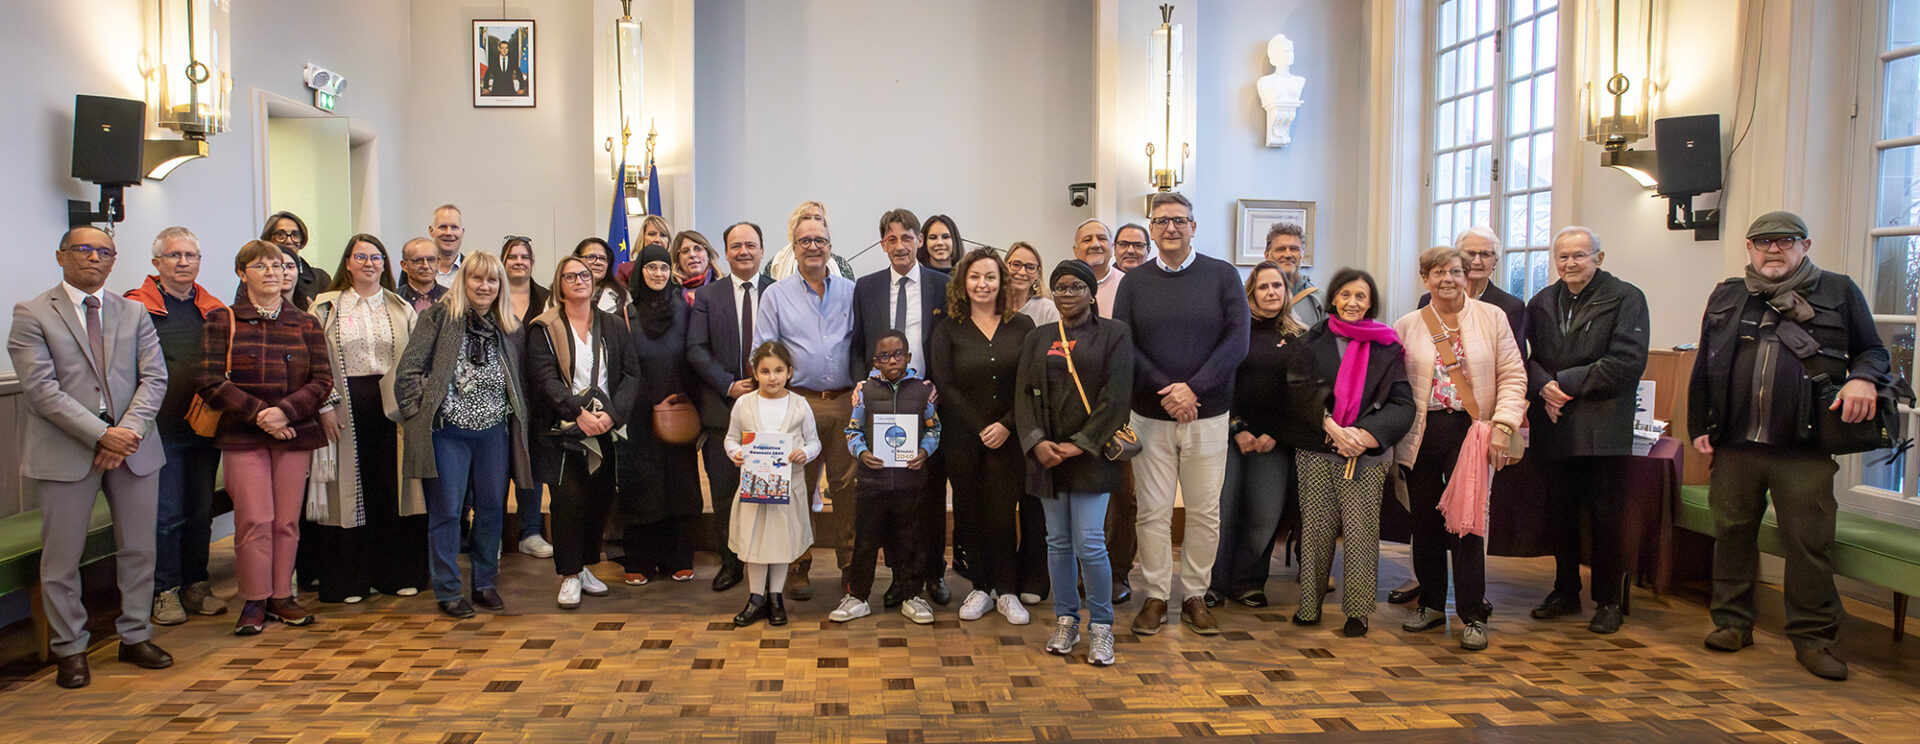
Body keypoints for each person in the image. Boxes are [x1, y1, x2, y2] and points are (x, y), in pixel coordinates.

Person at [1690, 211, 1891, 681]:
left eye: (1784, 241)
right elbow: (1708, 361)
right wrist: (1700, 423)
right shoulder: (1728, 293)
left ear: (1804, 245)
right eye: (1763, 242)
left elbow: (1874, 350)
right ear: (1749, 248)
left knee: (1809, 544)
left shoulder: (1838, 291)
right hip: (1737, 443)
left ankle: (1813, 639)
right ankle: (1733, 623)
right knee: (1733, 533)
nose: (1773, 249)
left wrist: (1862, 378)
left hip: (1803, 448)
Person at [10, 226, 173, 688]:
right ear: (61, 256)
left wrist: (128, 431)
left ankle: (135, 634)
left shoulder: (134, 312)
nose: (94, 258)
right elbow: (42, 392)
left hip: (134, 447)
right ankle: (70, 649)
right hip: (66, 450)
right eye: (83, 249)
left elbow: (154, 378)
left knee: (140, 548)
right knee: (63, 556)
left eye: (105, 252)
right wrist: (103, 436)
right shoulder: (32, 313)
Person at [1111, 192, 1250, 637]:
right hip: (1150, 415)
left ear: (1194, 226)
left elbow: (1236, 342)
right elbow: (1125, 344)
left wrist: (1194, 389)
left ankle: (1194, 594)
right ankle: (1154, 595)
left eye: (1179, 221)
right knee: (1151, 511)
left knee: (1205, 511)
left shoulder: (1223, 276)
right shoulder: (1134, 282)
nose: (1170, 228)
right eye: (1162, 221)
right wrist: (1168, 391)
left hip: (1208, 415)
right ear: (1151, 229)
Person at [1392, 247, 1527, 651]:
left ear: (1466, 276)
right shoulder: (1407, 325)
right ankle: (1431, 603)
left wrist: (1504, 424)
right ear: (1424, 279)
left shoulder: (1493, 318)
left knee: (1467, 522)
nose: (1447, 279)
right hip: (1421, 431)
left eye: (1455, 271)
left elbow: (1513, 375)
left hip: (1473, 431)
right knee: (1425, 521)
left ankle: (1472, 613)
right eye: (1437, 272)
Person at [200, 240, 335, 635]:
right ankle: (255, 599)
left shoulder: (306, 323)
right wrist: (262, 415)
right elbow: (208, 381)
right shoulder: (221, 320)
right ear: (243, 273)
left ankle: (281, 596)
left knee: (286, 522)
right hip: (243, 436)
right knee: (255, 519)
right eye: (261, 266)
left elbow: (322, 381)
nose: (273, 272)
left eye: (279, 265)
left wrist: (286, 412)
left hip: (295, 433)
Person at [1524, 227, 1650, 634]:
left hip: (1602, 424)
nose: (1570, 264)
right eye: (1562, 257)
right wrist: (1543, 385)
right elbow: (1525, 358)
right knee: (1558, 512)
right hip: (1554, 421)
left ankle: (1609, 600)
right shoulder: (1541, 301)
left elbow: (1626, 362)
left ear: (1599, 256)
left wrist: (1563, 384)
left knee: (1605, 517)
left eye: (1579, 255)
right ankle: (1564, 591)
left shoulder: (1626, 297)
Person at [1274, 268, 1414, 637]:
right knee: (1316, 529)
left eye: (1361, 297)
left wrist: (1366, 435)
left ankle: (1358, 611)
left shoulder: (1388, 345)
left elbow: (1403, 403)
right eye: (1346, 295)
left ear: (1371, 303)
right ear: (1333, 298)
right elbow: (1297, 391)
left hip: (1366, 453)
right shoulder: (1309, 341)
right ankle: (1309, 606)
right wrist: (1331, 427)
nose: (1353, 302)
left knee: (1360, 531)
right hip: (1318, 446)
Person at [395, 251, 534, 618]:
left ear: (500, 285)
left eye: (491, 280)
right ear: (463, 281)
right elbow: (407, 373)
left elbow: (520, 382)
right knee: (446, 512)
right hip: (447, 433)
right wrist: (420, 415)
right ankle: (447, 589)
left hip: (494, 433)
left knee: (491, 511)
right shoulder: (439, 317)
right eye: (477, 278)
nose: (484, 286)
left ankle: (485, 583)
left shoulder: (509, 325)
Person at [1016, 259, 1135, 667]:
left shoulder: (1115, 334)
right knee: (1058, 543)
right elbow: (1025, 394)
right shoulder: (1039, 337)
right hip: (1047, 456)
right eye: (1060, 288)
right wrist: (1036, 442)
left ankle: (1101, 627)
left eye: (1075, 287)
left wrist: (1080, 444)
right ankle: (1065, 619)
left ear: (1091, 291)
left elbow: (1117, 397)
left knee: (1089, 542)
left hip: (1092, 455)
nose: (1067, 294)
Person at [305, 234, 430, 604]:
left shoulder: (399, 305)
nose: (369, 263)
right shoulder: (325, 308)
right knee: (346, 492)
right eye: (361, 256)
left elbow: (415, 360)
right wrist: (325, 405)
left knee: (393, 490)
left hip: (393, 408)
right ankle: (349, 581)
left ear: (386, 264)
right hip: (343, 408)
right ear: (347, 262)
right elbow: (314, 362)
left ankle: (397, 574)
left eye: (376, 257)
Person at [927, 247, 1039, 624]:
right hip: (963, 436)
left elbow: (1030, 382)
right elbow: (945, 382)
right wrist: (980, 426)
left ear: (1002, 282)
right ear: (963, 282)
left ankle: (1006, 591)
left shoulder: (1022, 327)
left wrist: (1006, 423)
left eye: (990, 277)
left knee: (1004, 514)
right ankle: (980, 587)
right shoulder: (947, 329)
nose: (982, 284)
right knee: (970, 512)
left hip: (1010, 437)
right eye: (975, 277)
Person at [753, 212, 860, 601]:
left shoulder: (852, 291)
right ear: (793, 248)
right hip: (797, 404)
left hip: (847, 402)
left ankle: (851, 567)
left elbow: (862, 346)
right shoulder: (775, 295)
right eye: (805, 241)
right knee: (797, 488)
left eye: (820, 240)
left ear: (830, 246)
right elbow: (763, 351)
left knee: (848, 489)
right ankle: (797, 565)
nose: (813, 247)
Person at [524, 256, 641, 610]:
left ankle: (587, 566)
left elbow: (631, 375)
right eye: (570, 276)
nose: (579, 281)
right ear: (559, 283)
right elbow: (543, 380)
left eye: (585, 275)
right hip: (564, 431)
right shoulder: (543, 327)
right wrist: (578, 414)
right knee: (568, 501)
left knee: (599, 500)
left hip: (606, 428)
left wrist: (612, 416)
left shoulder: (613, 325)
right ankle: (569, 574)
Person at [125, 227, 227, 624]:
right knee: (165, 513)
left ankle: (195, 585)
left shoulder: (213, 308)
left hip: (203, 428)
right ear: (157, 263)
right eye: (174, 256)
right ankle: (164, 591)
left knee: (200, 512)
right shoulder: (136, 307)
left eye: (191, 256)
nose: (183, 263)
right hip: (158, 430)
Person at [852, 208, 954, 606]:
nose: (899, 246)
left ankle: (933, 573)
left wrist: (938, 388)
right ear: (882, 245)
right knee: (893, 495)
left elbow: (950, 347)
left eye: (907, 238)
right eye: (891, 239)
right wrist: (863, 386)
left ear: (919, 242)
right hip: (881, 407)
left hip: (927, 402)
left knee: (927, 496)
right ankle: (900, 577)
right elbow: (858, 344)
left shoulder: (942, 285)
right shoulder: (867, 287)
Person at [1208, 261, 1308, 609]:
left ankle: (1249, 582)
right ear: (1251, 292)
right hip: (1229, 434)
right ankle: (1214, 582)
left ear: (1286, 292)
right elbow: (1219, 382)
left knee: (1264, 514)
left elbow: (1305, 396)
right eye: (1263, 287)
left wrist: (1274, 435)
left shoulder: (1299, 336)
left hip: (1276, 441)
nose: (1271, 293)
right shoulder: (1233, 330)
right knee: (1223, 510)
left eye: (1277, 286)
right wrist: (1237, 429)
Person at [833, 331, 943, 624]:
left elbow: (934, 430)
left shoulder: (922, 392)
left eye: (898, 354)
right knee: (865, 542)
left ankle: (912, 595)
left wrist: (924, 451)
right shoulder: (865, 393)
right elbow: (852, 431)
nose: (892, 360)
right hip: (872, 484)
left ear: (908, 357)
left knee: (910, 541)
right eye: (884, 356)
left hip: (911, 484)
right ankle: (857, 596)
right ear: (875, 361)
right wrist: (861, 453)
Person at [687, 221, 772, 592]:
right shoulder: (708, 297)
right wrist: (728, 385)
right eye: (736, 246)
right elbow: (695, 349)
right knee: (725, 493)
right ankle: (730, 561)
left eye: (750, 245)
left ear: (762, 250)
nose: (743, 251)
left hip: (771, 411)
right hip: (724, 411)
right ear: (725, 252)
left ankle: (767, 561)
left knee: (767, 493)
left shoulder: (778, 292)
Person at [617, 245, 703, 585]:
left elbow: (693, 356)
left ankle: (677, 557)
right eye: (650, 267)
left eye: (664, 268)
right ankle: (639, 559)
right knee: (641, 484)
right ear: (641, 272)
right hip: (637, 414)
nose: (658, 273)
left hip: (677, 408)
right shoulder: (626, 313)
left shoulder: (685, 309)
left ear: (672, 272)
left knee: (678, 484)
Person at [724, 341, 822, 626]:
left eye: (779, 370)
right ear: (755, 373)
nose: (772, 377)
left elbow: (814, 440)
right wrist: (736, 453)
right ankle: (756, 597)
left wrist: (806, 453)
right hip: (754, 486)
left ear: (789, 372)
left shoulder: (799, 404)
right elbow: (731, 438)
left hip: (787, 487)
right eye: (765, 371)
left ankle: (776, 596)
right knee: (755, 541)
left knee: (779, 542)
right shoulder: (745, 404)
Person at [502, 236, 553, 558]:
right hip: (495, 394)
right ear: (503, 262)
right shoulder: (490, 296)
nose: (518, 261)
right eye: (512, 257)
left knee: (530, 463)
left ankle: (530, 531)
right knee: (493, 466)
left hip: (537, 395)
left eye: (524, 256)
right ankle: (489, 535)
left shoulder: (547, 298)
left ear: (532, 262)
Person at [762, 201, 858, 283]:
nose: (812, 222)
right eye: (806, 218)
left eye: (817, 218)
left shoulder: (841, 265)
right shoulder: (776, 263)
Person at [259, 211, 331, 309]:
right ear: (268, 240)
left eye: (295, 235)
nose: (289, 241)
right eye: (280, 235)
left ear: (302, 240)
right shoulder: (256, 274)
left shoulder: (320, 278)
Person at [1265, 223, 1327, 328]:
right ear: (1267, 255)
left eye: (1294, 249)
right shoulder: (1249, 297)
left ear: (1302, 254)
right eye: (1281, 249)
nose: (1288, 255)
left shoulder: (1321, 299)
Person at [1073, 219, 1125, 316]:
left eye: (1102, 238)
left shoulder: (1125, 283)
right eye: (1087, 240)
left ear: (1112, 248)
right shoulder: (1061, 287)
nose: (1095, 245)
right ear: (1075, 251)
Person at [575, 238, 630, 321]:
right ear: (576, 260)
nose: (598, 262)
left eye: (603, 258)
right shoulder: (561, 292)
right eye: (591, 257)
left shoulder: (622, 295)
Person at [1005, 242, 1059, 327]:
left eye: (1030, 267)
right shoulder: (990, 305)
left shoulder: (1048, 311)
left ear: (1038, 274)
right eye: (1016, 265)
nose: (1022, 272)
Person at [614, 215, 675, 287]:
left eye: (663, 235)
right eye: (652, 234)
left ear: (669, 241)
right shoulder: (625, 271)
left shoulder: (676, 272)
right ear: (643, 238)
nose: (657, 239)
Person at [670, 230, 722, 304]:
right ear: (678, 260)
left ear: (708, 255)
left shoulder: (725, 288)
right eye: (685, 251)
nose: (692, 254)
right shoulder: (670, 293)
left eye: (697, 249)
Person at [397, 238, 449, 312]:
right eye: (418, 260)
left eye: (431, 260)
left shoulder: (452, 298)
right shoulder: (393, 299)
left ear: (438, 263)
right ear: (404, 265)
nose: (426, 266)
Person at [429, 205, 466, 288]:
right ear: (431, 231)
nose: (449, 233)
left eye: (454, 227)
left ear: (462, 232)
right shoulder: (415, 271)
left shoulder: (473, 270)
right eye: (443, 227)